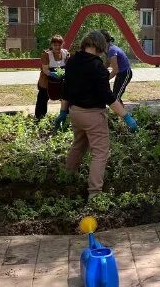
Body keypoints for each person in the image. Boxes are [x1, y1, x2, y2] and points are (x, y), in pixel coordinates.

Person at [54, 30, 138, 199]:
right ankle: (95, 193)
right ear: (100, 46)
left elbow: (66, 90)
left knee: (78, 145)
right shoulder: (98, 67)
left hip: (75, 113)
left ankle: (68, 177)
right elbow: (108, 97)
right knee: (100, 153)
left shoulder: (71, 61)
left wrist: (63, 112)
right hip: (93, 116)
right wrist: (126, 117)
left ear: (85, 43)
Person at [35, 35, 69, 119]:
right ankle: (40, 117)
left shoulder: (65, 53)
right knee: (42, 98)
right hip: (46, 80)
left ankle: (66, 116)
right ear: (51, 45)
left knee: (66, 96)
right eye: (55, 45)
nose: (57, 47)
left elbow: (68, 66)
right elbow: (45, 70)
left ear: (62, 45)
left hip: (61, 80)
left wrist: (65, 72)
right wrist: (53, 74)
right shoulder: (46, 55)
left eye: (59, 45)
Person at [100, 30, 133, 102]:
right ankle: (120, 112)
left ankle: (123, 113)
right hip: (120, 73)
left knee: (116, 97)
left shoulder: (111, 50)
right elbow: (108, 63)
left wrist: (105, 80)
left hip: (125, 73)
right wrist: (100, 70)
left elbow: (115, 70)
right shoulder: (108, 49)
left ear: (102, 40)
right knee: (115, 95)